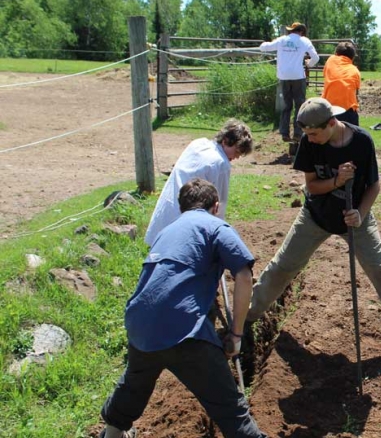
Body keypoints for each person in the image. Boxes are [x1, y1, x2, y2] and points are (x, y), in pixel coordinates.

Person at [244, 97, 381, 365]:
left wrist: (360, 214)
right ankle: (246, 318)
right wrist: (338, 181)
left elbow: (373, 186)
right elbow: (312, 187)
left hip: (355, 220)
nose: (311, 139)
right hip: (315, 216)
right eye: (307, 134)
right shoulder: (309, 142)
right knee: (282, 266)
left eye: (315, 133)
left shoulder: (362, 142)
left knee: (380, 271)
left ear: (332, 123)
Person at [99, 179, 267, 438]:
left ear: (182, 208)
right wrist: (236, 334)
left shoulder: (166, 231)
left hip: (140, 323)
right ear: (215, 206)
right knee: (230, 409)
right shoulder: (215, 226)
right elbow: (243, 276)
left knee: (134, 384)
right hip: (184, 329)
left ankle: (112, 433)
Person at [144, 119, 253, 246]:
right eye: (237, 151)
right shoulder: (221, 164)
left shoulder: (198, 143)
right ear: (226, 141)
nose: (237, 156)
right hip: (187, 226)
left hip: (165, 216)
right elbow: (219, 203)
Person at [259, 22, 320, 142]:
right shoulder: (305, 41)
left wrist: (262, 44)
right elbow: (316, 57)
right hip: (298, 76)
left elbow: (265, 47)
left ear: (291, 30)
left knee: (286, 106)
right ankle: (298, 132)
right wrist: (309, 63)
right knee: (299, 105)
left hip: (283, 76)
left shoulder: (282, 40)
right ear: (301, 31)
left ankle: (284, 133)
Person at [322, 41, 361, 126]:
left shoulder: (330, 60)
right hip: (348, 112)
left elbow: (325, 75)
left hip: (329, 109)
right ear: (352, 57)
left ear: (336, 53)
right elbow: (356, 90)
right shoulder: (355, 71)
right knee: (354, 137)